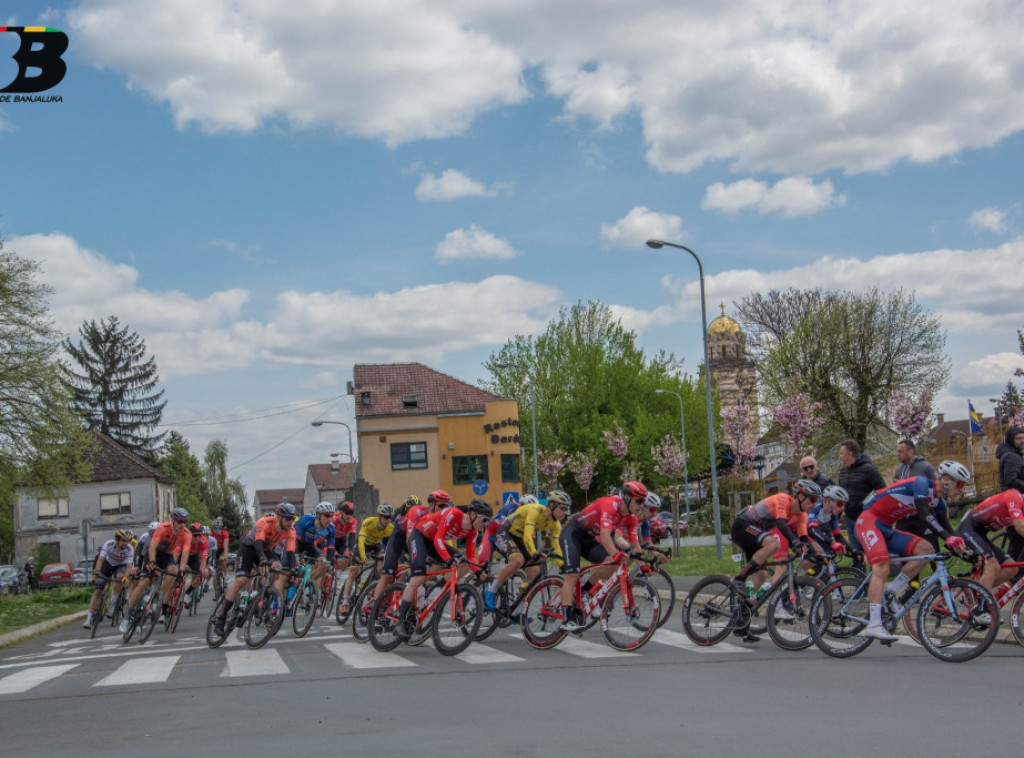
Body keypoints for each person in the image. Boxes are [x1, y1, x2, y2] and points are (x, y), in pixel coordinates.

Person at [854, 460, 969, 642]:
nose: (961, 490)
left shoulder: (939, 502)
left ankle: (890, 591)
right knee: (882, 568)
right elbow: (924, 514)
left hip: (886, 527)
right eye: (960, 484)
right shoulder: (921, 483)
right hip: (869, 521)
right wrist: (948, 538)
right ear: (946, 479)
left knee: (927, 549)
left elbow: (946, 530)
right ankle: (874, 625)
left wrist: (960, 546)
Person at [394, 498, 491, 640]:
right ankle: (400, 623)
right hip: (420, 536)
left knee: (463, 564)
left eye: (488, 521)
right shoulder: (453, 514)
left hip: (433, 542)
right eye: (484, 520)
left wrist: (478, 571)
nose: (485, 524)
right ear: (472, 514)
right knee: (418, 578)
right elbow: (439, 539)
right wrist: (448, 559)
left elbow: (470, 556)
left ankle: (435, 592)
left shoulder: (473, 532)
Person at [557, 481, 648, 632]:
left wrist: (643, 566)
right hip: (572, 534)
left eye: (643, 502)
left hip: (588, 539)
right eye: (639, 501)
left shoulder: (631, 518)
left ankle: (586, 592)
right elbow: (605, 535)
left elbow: (635, 546)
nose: (641, 506)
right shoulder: (610, 504)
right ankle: (567, 619)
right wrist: (616, 553)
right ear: (626, 497)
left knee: (612, 563)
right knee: (572, 575)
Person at [212, 503, 298, 636]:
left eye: (292, 519)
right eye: (287, 519)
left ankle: (262, 596)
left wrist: (293, 569)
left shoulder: (291, 530)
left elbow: (291, 551)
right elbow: (258, 542)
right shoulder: (264, 522)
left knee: (277, 568)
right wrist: (262, 560)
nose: (290, 522)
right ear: (279, 516)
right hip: (249, 548)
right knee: (241, 580)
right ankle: (221, 618)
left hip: (266, 550)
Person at [730, 480, 821, 603]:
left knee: (762, 576)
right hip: (743, 525)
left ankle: (744, 608)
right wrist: (794, 542)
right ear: (800, 496)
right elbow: (781, 523)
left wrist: (817, 555)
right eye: (812, 500)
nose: (814, 504)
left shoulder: (802, 515)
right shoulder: (783, 499)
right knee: (773, 544)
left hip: (756, 535)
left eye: (816, 501)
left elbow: (804, 538)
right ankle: (739, 579)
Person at [363, 491, 448, 620]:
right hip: (399, 539)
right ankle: (374, 606)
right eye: (442, 507)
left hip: (416, 541)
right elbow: (410, 538)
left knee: (425, 568)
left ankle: (402, 600)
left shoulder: (438, 520)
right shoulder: (416, 511)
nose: (444, 511)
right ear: (431, 505)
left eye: (446, 508)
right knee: (387, 575)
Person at [484, 490, 569, 610]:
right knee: (518, 560)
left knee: (534, 571)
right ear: (552, 505)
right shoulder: (535, 510)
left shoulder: (556, 525)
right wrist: (533, 553)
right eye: (563, 508)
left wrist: (562, 565)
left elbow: (556, 546)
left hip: (519, 538)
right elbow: (528, 535)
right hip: (506, 532)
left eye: (567, 509)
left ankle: (517, 608)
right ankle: (491, 590)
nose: (565, 512)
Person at [121, 508, 191, 633]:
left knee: (174, 571)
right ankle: (127, 617)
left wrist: (181, 569)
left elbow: (185, 553)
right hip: (153, 554)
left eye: (184, 522)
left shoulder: (186, 534)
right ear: (173, 519)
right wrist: (152, 561)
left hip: (167, 556)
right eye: (180, 521)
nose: (182, 524)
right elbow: (152, 546)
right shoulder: (163, 528)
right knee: (143, 583)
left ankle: (157, 595)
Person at [954, 488, 1024, 590]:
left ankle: (976, 591)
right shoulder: (1014, 497)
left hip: (979, 533)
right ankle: (982, 603)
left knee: (1012, 568)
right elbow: (1020, 527)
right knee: (992, 564)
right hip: (968, 529)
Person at [338, 503, 395, 616]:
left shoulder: (390, 528)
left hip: (376, 546)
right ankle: (344, 602)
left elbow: (392, 546)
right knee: (353, 572)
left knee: (381, 568)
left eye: (390, 518)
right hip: (363, 545)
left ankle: (372, 590)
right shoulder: (369, 522)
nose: (388, 520)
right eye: (386, 517)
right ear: (379, 516)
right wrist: (363, 557)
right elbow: (360, 541)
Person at [837, 439, 886, 555]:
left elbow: (882, 491)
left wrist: (871, 509)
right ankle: (858, 573)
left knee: (870, 551)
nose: (840, 457)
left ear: (849, 454)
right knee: (856, 552)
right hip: (849, 518)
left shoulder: (868, 469)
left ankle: (875, 573)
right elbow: (841, 492)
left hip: (865, 518)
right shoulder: (843, 471)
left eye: (841, 453)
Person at [84, 529, 134, 628]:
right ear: (117, 540)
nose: (126, 543)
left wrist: (125, 577)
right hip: (107, 564)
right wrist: (97, 571)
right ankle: (88, 618)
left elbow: (128, 567)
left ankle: (112, 603)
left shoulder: (129, 549)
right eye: (123, 541)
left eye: (127, 541)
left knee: (120, 577)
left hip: (120, 566)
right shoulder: (109, 544)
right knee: (98, 590)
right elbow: (101, 559)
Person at [478, 493, 537, 565]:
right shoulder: (509, 508)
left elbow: (531, 536)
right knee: (483, 564)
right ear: (521, 504)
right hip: (492, 534)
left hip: (508, 535)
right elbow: (501, 526)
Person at [293, 502, 337, 591]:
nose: (329, 519)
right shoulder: (306, 519)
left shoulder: (331, 528)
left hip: (309, 545)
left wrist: (329, 561)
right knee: (292, 567)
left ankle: (304, 584)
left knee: (324, 564)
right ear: (318, 515)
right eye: (326, 515)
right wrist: (296, 556)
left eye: (331, 516)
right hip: (294, 542)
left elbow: (331, 547)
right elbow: (295, 539)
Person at [182, 523, 210, 609]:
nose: (197, 537)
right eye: (195, 535)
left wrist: (201, 572)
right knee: (178, 573)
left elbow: (203, 558)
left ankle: (187, 593)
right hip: (183, 556)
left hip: (194, 558)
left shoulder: (204, 541)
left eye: (200, 535)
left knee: (204, 573)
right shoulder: (185, 538)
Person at [997, 426, 1024, 494]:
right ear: (1011, 440)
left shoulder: (1014, 454)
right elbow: (1011, 480)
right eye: (1018, 439)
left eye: (1023, 438)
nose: (1022, 441)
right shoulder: (1011, 456)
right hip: (1016, 497)